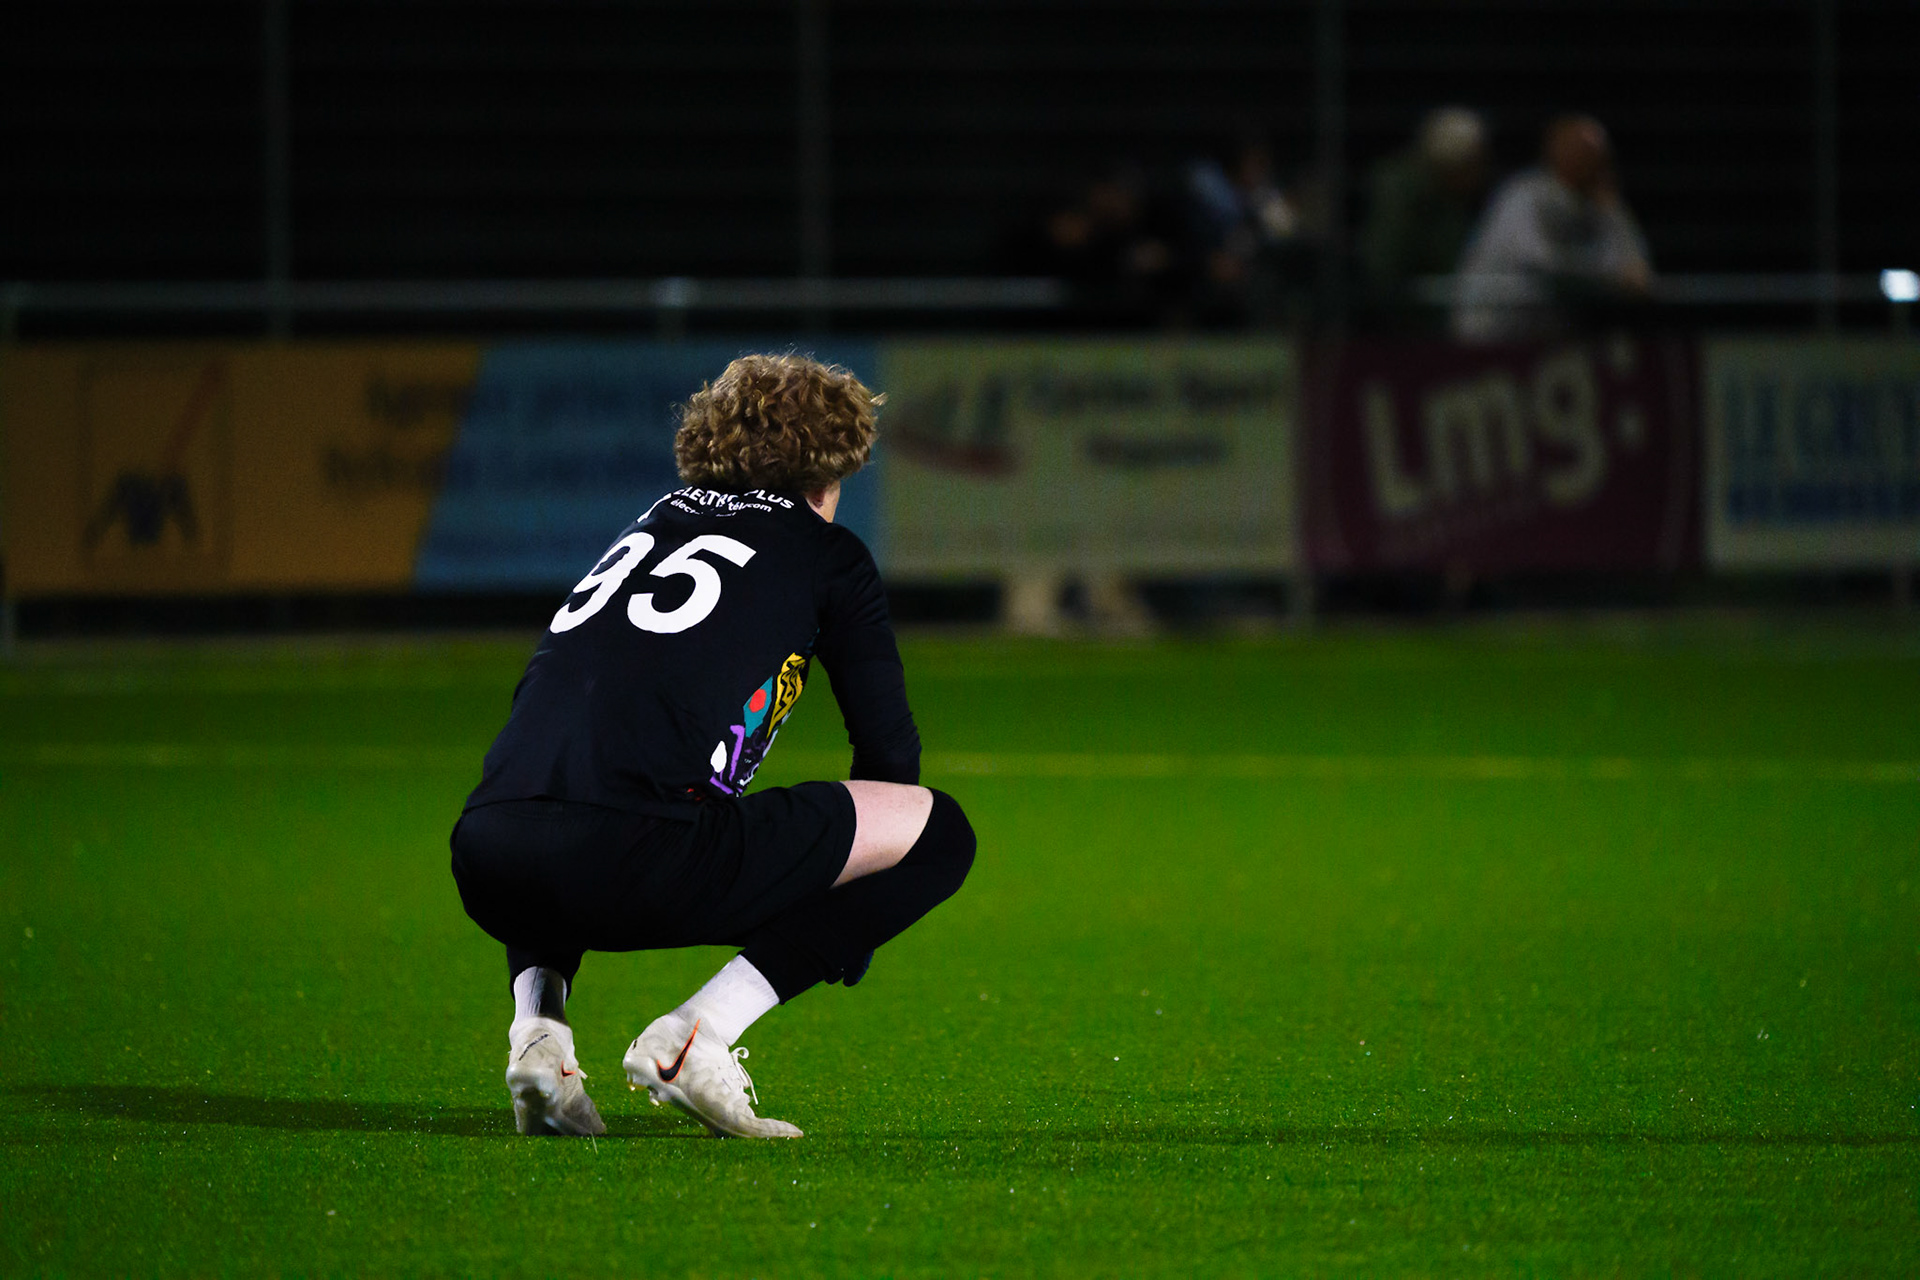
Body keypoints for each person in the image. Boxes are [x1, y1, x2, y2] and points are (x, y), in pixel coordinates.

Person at [449, 354, 975, 1139]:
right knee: (940, 835)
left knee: (570, 788)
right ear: (832, 467)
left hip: (486, 855)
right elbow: (890, 757)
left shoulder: (654, 519)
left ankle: (540, 1037)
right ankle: (697, 1037)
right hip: (630, 862)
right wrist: (843, 925)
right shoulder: (830, 555)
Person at [1452, 114, 1653, 342]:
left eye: (1600, 155)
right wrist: (1611, 276)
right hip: (1487, 332)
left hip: (1540, 339)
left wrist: (1614, 211)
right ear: (1556, 151)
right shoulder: (1523, 194)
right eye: (1583, 151)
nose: (1595, 163)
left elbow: (1634, 267)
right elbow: (1537, 259)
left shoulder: (1597, 205)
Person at [1358, 106, 1491, 329]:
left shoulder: (1453, 202)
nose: (1482, 174)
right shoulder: (1403, 194)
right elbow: (1384, 270)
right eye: (1474, 164)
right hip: (1404, 324)